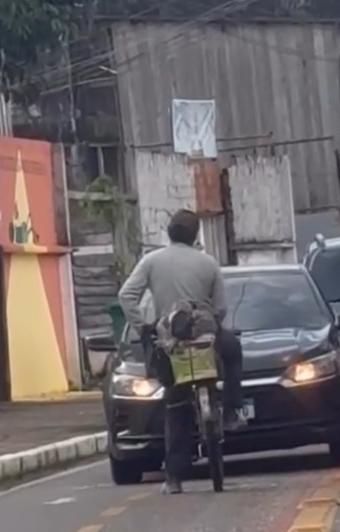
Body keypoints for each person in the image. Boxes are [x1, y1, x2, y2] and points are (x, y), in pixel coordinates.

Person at [118, 209, 246, 494]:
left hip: (170, 343)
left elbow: (126, 295)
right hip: (206, 340)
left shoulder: (151, 261)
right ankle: (233, 410)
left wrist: (143, 327)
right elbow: (222, 308)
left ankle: (174, 479)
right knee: (233, 349)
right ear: (196, 234)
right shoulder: (208, 263)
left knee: (175, 406)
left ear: (168, 233)